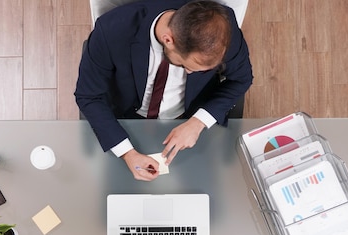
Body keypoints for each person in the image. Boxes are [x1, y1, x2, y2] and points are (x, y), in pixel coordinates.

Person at [75, 0, 253, 181]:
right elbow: (88, 96)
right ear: (168, 40)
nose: (191, 73)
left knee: (204, 195)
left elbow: (242, 79)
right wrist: (127, 153)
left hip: (191, 118)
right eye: (186, 66)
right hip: (124, 118)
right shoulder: (111, 30)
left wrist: (198, 122)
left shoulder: (221, 30)